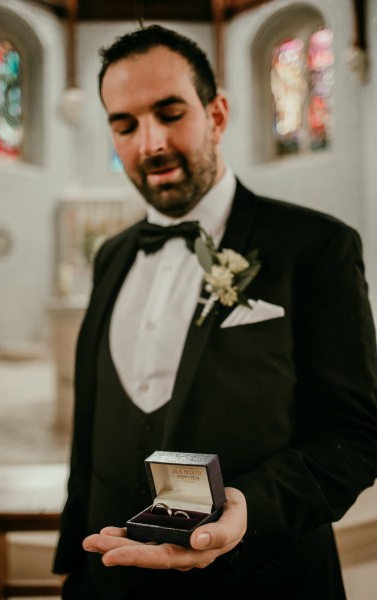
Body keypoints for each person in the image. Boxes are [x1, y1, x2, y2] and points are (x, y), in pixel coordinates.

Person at [53, 24, 377, 600]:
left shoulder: (317, 246)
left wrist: (247, 508)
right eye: (124, 125)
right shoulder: (111, 256)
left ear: (218, 114)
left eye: (170, 112)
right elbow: (91, 426)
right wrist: (73, 566)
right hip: (108, 580)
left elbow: (354, 437)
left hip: (265, 580)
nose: (148, 142)